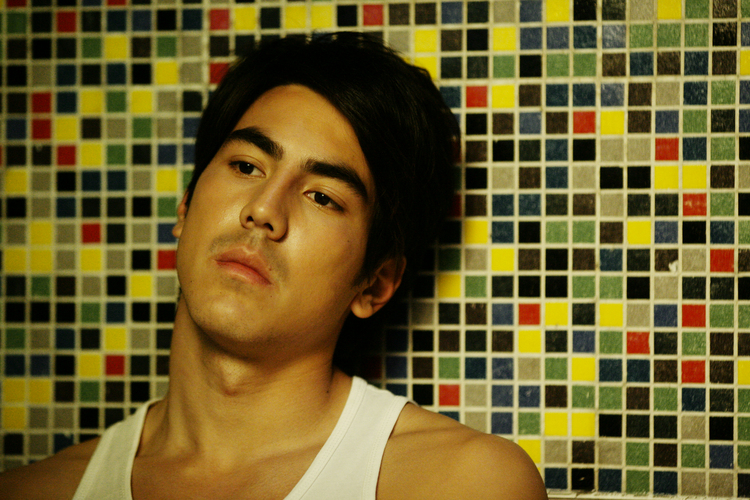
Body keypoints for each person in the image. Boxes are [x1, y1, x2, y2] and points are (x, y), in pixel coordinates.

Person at [0, 32, 548, 499]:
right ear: (186, 207)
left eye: (322, 197)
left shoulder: (461, 483)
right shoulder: (35, 491)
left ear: (375, 284)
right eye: (246, 166)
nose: (263, 210)